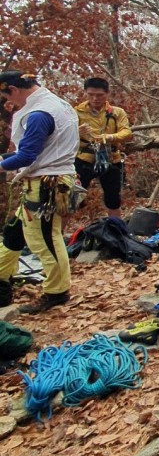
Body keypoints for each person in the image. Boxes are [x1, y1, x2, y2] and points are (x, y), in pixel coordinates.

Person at [0, 71, 80, 312]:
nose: (8, 103)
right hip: (47, 178)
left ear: (13, 89)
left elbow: (26, 155)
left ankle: (57, 291)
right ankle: (2, 274)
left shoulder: (38, 114)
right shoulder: (56, 103)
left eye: (6, 96)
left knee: (45, 238)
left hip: (47, 183)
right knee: (15, 231)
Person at [74, 76, 133, 219]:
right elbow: (62, 136)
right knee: (72, 198)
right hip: (84, 159)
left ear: (107, 94)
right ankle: (58, 235)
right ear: (85, 93)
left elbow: (126, 132)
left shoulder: (116, 112)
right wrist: (76, 132)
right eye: (91, 95)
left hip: (111, 159)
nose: (95, 99)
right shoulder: (76, 112)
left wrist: (109, 137)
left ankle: (116, 233)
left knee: (113, 199)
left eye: (99, 95)